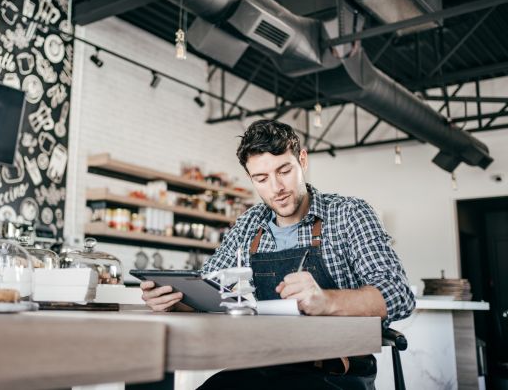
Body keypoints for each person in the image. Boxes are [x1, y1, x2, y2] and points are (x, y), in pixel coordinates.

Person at [140, 119, 415, 389]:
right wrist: (176, 299)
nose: (276, 188)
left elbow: (398, 295)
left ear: (302, 161)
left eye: (284, 171)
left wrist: (326, 301)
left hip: (334, 373)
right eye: (261, 178)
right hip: (264, 365)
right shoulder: (250, 223)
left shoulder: (349, 214)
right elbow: (211, 285)